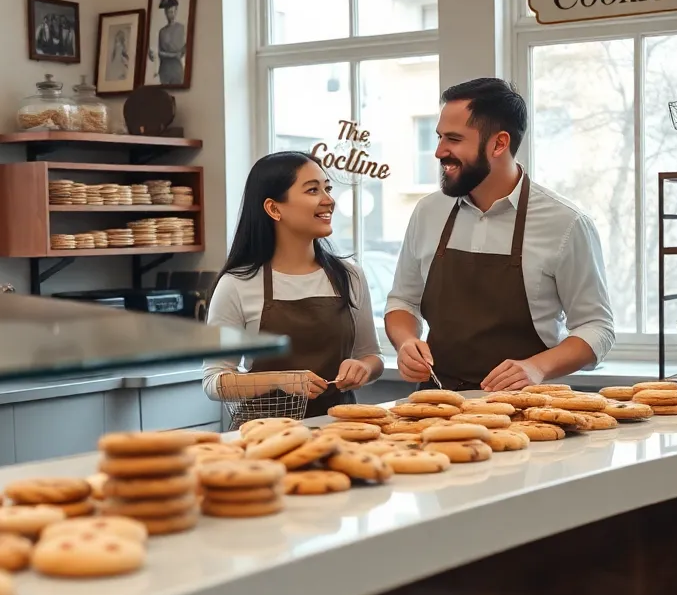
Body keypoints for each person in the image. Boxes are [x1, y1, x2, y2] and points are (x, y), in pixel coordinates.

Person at [384, 77, 615, 392]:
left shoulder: (566, 224)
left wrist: (536, 367)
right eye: (439, 137)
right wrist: (406, 341)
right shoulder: (427, 213)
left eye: (453, 139)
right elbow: (403, 300)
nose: (439, 151)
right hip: (437, 407)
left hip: (526, 412)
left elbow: (597, 328)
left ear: (499, 143)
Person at [204, 151, 383, 420]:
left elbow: (371, 355)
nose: (329, 200)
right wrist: (280, 380)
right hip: (263, 438)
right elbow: (214, 381)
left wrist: (363, 369)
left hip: (339, 430)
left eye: (328, 188)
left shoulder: (349, 276)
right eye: (313, 190)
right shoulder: (237, 284)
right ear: (274, 208)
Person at [150, 0, 187, 85]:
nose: (170, 14)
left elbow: (182, 52)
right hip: (164, 70)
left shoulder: (182, 28)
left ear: (176, 10)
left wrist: (176, 54)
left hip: (176, 69)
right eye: (168, 11)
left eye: (172, 10)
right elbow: (160, 53)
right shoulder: (162, 32)